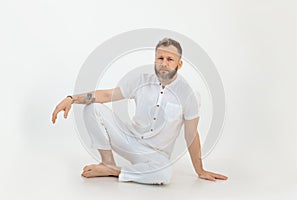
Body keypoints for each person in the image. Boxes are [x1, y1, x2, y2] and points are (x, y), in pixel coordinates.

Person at [52, 38, 228, 184]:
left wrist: (200, 170)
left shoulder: (189, 95)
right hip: (129, 139)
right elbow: (106, 95)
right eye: (160, 58)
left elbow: (191, 135)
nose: (164, 63)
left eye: (170, 59)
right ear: (155, 60)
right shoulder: (141, 80)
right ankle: (107, 162)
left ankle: (113, 171)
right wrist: (72, 99)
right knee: (93, 107)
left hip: (155, 155)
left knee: (164, 175)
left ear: (179, 64)